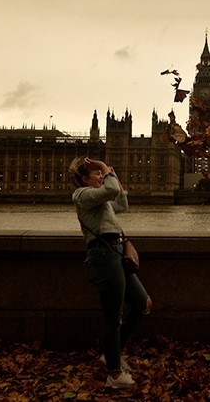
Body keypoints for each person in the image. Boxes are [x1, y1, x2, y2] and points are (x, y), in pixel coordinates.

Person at [69, 156, 152, 390]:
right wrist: (106, 170)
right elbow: (111, 190)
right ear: (84, 179)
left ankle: (111, 354)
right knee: (113, 318)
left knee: (143, 304)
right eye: (95, 173)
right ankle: (114, 374)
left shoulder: (99, 201)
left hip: (115, 254)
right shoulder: (82, 195)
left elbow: (121, 204)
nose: (100, 175)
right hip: (103, 257)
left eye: (100, 173)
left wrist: (113, 179)